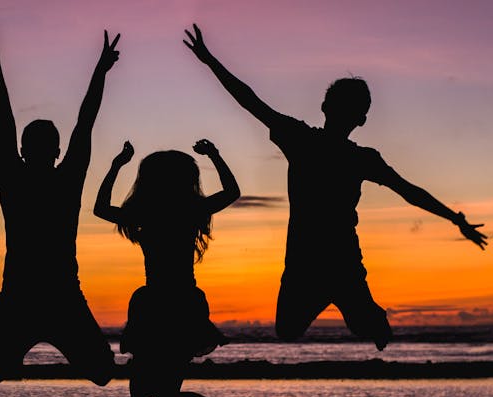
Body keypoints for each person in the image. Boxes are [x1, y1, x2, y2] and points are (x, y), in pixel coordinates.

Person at [183, 24, 488, 351]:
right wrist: (210, 61)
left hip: (340, 260)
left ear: (352, 117)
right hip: (304, 261)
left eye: (351, 109)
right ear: (335, 111)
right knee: (287, 330)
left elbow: (409, 191)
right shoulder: (303, 140)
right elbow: (251, 102)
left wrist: (210, 61)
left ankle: (367, 312)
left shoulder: (351, 155)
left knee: (354, 326)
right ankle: (354, 306)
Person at [0, 21, 120, 389]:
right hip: (36, 294)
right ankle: (16, 352)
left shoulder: (25, 178)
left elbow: (9, 117)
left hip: (49, 294)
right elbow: (84, 121)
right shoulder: (53, 179)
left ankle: (17, 352)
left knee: (101, 371)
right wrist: (100, 71)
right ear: (56, 150)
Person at [93, 139, 241, 397]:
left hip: (162, 304)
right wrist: (215, 155)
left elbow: (101, 208)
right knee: (150, 394)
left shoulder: (148, 214)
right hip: (179, 302)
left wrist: (116, 166)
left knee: (159, 395)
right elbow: (231, 192)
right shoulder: (188, 210)